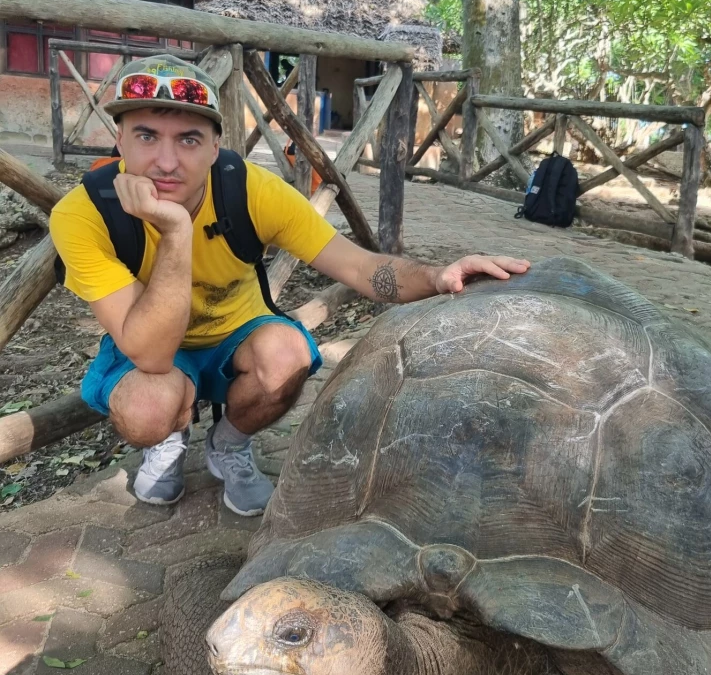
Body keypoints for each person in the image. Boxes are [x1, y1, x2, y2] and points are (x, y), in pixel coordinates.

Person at [49, 55, 529, 517]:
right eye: (147, 136)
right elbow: (151, 355)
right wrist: (175, 231)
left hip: (235, 335)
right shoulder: (83, 214)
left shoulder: (251, 190)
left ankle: (228, 443)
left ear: (217, 147)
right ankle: (169, 440)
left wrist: (437, 276)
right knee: (148, 408)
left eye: (190, 139)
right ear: (120, 139)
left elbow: (362, 269)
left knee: (288, 355)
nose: (167, 161)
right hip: (149, 349)